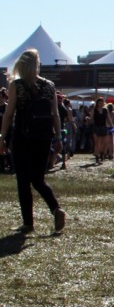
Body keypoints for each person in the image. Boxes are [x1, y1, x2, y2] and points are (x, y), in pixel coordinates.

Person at [0, 49, 65, 233]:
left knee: (23, 181)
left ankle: (28, 223)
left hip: (23, 136)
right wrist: (58, 137)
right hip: (44, 137)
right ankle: (56, 209)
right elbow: (55, 114)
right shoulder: (49, 85)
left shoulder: (17, 85)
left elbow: (9, 114)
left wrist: (2, 137)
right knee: (38, 179)